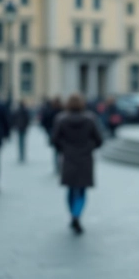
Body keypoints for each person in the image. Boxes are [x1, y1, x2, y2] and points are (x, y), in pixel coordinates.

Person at [51, 94, 103, 234]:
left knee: (70, 189)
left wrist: (65, 148)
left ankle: (73, 214)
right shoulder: (90, 119)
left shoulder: (61, 119)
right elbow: (99, 140)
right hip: (85, 159)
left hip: (69, 158)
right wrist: (88, 147)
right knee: (81, 190)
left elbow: (54, 140)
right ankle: (77, 214)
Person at [43, 97, 64, 175]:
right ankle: (60, 166)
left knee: (56, 151)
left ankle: (57, 167)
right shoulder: (63, 111)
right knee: (61, 151)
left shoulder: (50, 111)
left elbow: (45, 121)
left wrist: (48, 131)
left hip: (53, 132)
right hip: (62, 134)